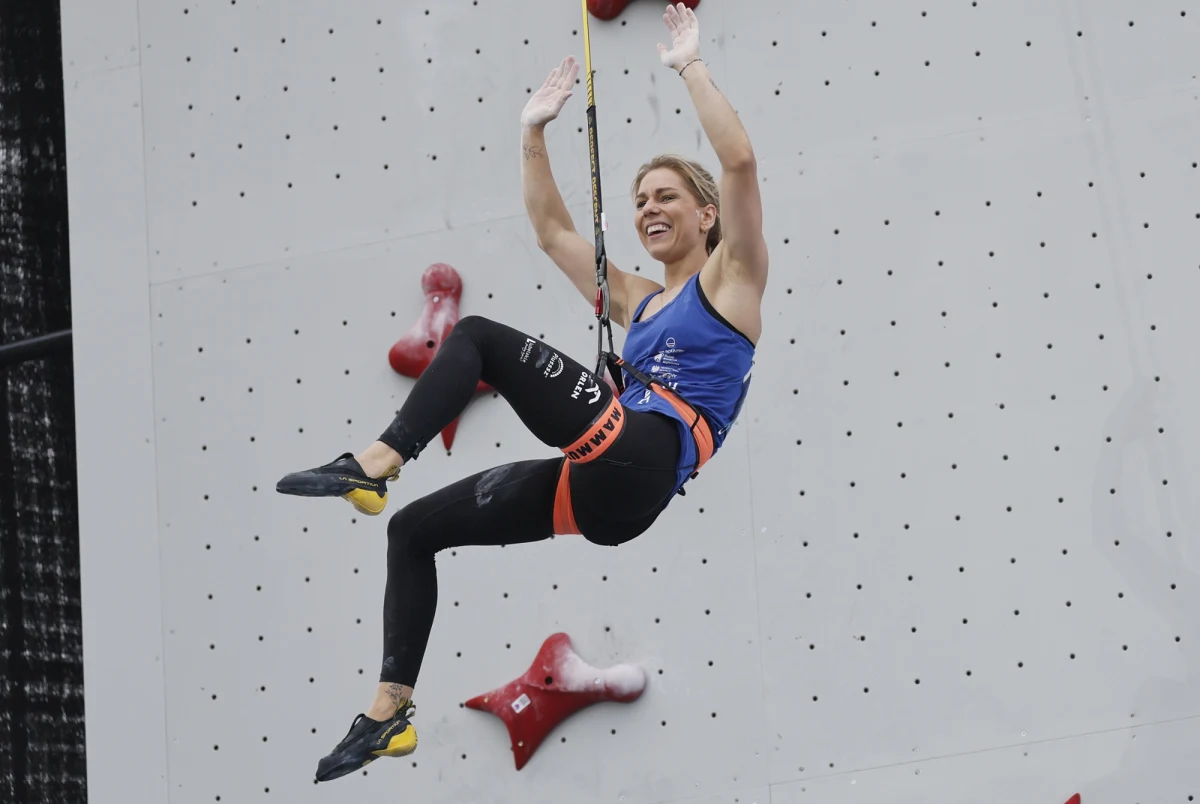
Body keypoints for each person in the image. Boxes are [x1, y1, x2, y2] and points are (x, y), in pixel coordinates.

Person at [275, 3, 768, 783]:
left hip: (645, 457)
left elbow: (737, 162)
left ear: (707, 215)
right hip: (607, 495)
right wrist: (531, 131)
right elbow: (552, 234)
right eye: (641, 201)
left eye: (667, 196)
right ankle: (387, 715)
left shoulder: (733, 280)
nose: (649, 209)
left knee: (476, 335)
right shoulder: (637, 301)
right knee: (412, 531)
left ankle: (376, 461)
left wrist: (690, 67)